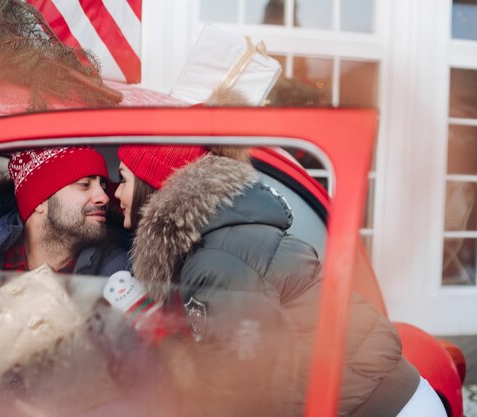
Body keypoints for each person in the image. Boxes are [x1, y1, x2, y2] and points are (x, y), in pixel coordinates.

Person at [113, 145, 447, 417]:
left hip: (386, 408)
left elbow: (237, 387)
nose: (116, 192)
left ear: (153, 185)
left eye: (124, 179)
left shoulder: (218, 258)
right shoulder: (220, 243)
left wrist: (154, 335)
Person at [0, 146, 128, 276]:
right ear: (39, 200)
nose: (104, 197)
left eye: (103, 186)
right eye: (84, 184)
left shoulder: (120, 271)